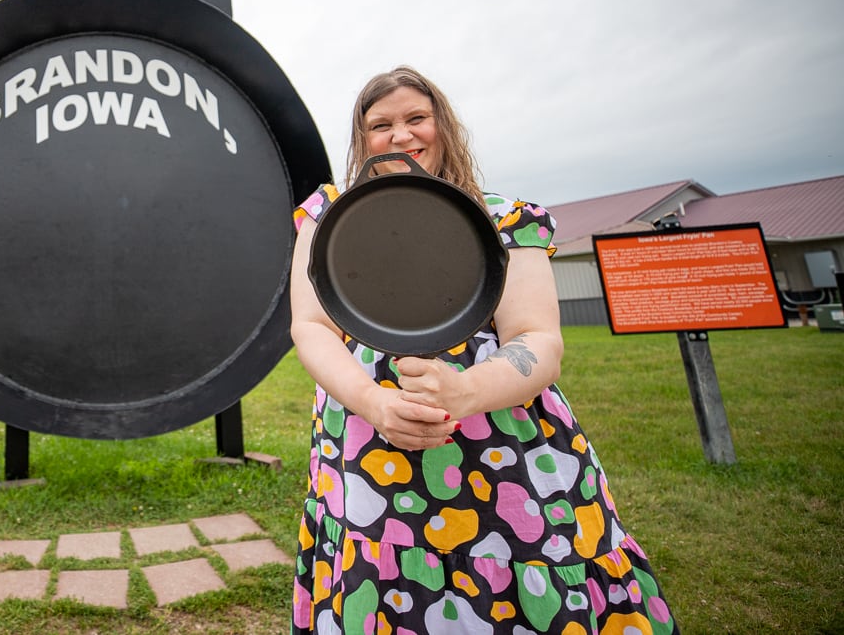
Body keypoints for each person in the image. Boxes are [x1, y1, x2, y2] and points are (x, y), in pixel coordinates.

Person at [289, 65, 677, 634]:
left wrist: (467, 390)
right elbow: (311, 326)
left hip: (501, 448)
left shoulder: (504, 218)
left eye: (416, 118)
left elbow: (537, 339)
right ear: (362, 139)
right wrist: (373, 403)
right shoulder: (330, 216)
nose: (401, 136)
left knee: (517, 572)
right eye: (381, 125)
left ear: (443, 125)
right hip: (367, 444)